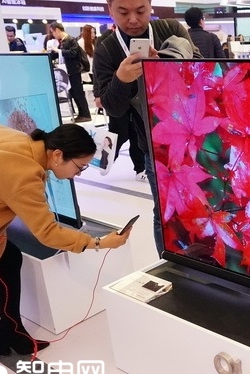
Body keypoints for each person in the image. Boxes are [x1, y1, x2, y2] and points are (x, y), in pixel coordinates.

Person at [0, 123, 131, 342]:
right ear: (57, 155)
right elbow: (48, 232)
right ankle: (5, 329)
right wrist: (100, 242)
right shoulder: (25, 174)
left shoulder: (5, 133)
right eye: (80, 167)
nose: (78, 174)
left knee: (1, 255)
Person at [93, 0, 201, 255]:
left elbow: (199, 70)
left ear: (151, 6)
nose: (133, 19)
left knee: (200, 202)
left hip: (192, 134)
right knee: (163, 210)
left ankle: (201, 257)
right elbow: (113, 108)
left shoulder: (170, 29)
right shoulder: (107, 48)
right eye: (123, 12)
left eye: (140, 11)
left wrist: (163, 65)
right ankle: (169, 262)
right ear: (110, 9)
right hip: (153, 145)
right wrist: (121, 79)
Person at [49, 22, 92, 122]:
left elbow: (73, 53)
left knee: (78, 93)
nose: (53, 35)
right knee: (73, 93)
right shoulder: (63, 41)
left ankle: (86, 114)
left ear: (57, 30)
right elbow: (59, 54)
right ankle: (81, 114)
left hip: (74, 71)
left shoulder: (71, 39)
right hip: (68, 72)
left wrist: (59, 51)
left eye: (53, 32)